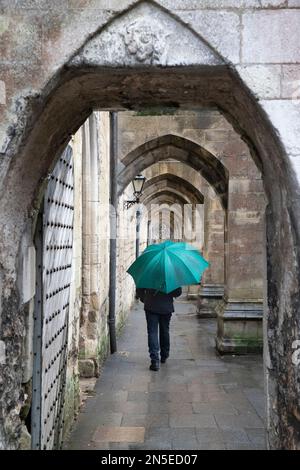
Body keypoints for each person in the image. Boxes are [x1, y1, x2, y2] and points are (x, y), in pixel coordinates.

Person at [136, 287, 182, 371]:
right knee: (165, 330)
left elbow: (139, 288)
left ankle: (154, 361)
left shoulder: (149, 274)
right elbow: (178, 292)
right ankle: (164, 355)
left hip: (151, 305)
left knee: (152, 332)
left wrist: (145, 299)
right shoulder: (171, 275)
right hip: (166, 306)